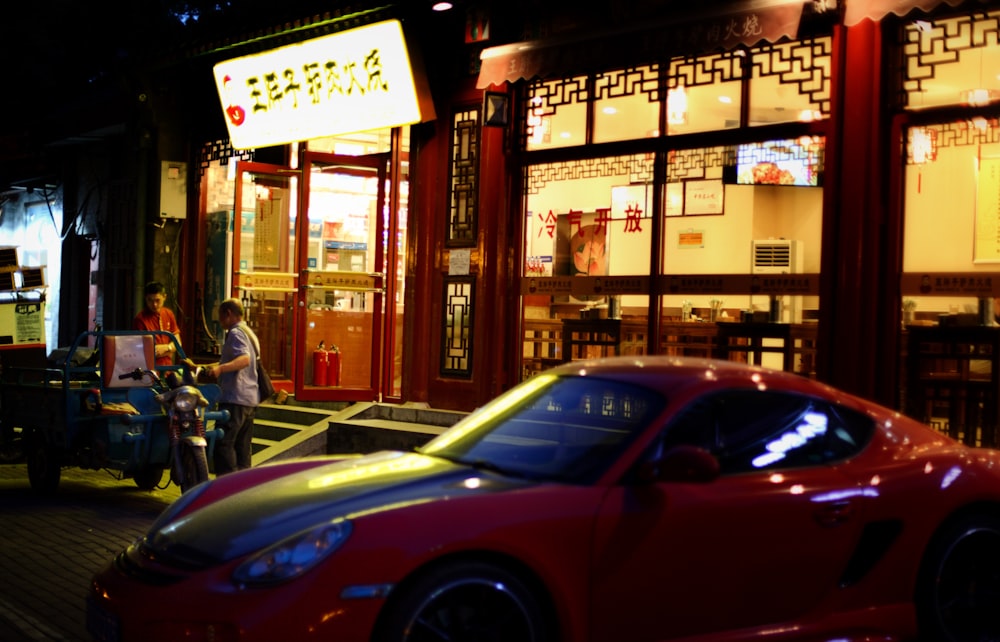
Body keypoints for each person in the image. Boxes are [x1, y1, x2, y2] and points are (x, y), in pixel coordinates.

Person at [206, 298, 260, 475]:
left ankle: (226, 490)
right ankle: (242, 491)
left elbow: (244, 359)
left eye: (220, 317)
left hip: (234, 398)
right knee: (242, 448)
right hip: (249, 399)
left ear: (228, 314)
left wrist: (220, 369)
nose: (220, 322)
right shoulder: (249, 332)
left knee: (223, 444)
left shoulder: (236, 333)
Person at [132, 281, 181, 367]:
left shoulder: (169, 314)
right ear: (145, 299)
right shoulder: (140, 319)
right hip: (148, 368)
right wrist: (169, 349)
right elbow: (141, 350)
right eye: (150, 300)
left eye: (157, 300)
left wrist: (166, 348)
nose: (154, 304)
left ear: (164, 297)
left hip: (168, 367)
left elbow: (178, 343)